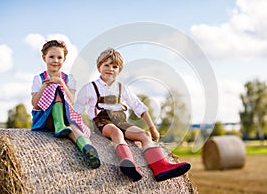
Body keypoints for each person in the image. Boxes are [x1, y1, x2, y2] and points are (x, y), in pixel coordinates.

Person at [74, 47, 191, 182]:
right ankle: (128, 164)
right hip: (102, 122)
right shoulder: (89, 88)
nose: (110, 69)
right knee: (116, 133)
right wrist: (78, 130)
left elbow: (138, 106)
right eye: (106, 65)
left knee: (144, 135)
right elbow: (77, 110)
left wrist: (152, 127)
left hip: (121, 121)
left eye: (115, 66)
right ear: (99, 67)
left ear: (119, 70)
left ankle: (161, 167)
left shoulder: (121, 88)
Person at [31, 40, 100, 169]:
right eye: (51, 57)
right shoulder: (39, 79)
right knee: (54, 87)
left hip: (65, 116)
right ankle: (59, 125)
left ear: (64, 59)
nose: (55, 60)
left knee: (75, 130)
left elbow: (72, 100)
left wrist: (61, 83)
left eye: (59, 57)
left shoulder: (69, 79)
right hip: (45, 119)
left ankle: (88, 149)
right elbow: (35, 105)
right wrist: (46, 85)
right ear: (44, 57)